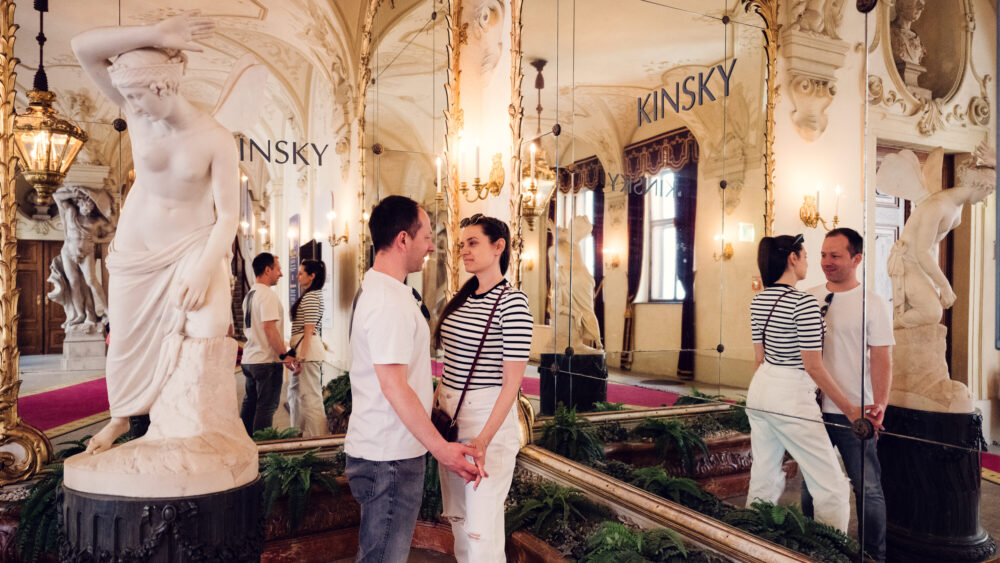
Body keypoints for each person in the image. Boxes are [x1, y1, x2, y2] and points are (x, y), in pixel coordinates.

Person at [70, 10, 256, 488]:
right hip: (137, 249)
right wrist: (154, 35)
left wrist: (203, 268)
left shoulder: (216, 139)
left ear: (163, 87)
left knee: (211, 325)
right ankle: (122, 413)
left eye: (135, 95)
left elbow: (228, 218)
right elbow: (82, 48)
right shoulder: (137, 111)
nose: (128, 105)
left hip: (195, 246)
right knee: (128, 336)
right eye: (126, 95)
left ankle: (201, 427)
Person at [347, 195, 480, 563]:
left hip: (385, 451)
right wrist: (442, 450)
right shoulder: (387, 301)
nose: (431, 246)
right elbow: (392, 385)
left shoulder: (385, 290)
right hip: (389, 457)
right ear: (403, 239)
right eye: (425, 236)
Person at [746, 233, 869, 532]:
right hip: (790, 394)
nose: (809, 262)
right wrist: (852, 410)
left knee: (763, 477)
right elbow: (814, 367)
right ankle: (829, 551)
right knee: (832, 487)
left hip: (760, 389)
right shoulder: (803, 304)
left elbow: (759, 358)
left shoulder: (759, 300)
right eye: (805, 254)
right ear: (792, 258)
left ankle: (747, 542)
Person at [434, 213, 532, 562]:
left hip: (487, 423)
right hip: (452, 420)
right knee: (460, 524)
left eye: (473, 242)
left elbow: (512, 384)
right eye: (462, 244)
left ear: (498, 246)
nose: (464, 251)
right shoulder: (459, 300)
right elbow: (450, 367)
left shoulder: (513, 303)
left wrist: (483, 440)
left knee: (481, 531)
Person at [800, 228, 893, 562]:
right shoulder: (808, 297)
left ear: (856, 259)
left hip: (856, 412)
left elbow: (882, 357)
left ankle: (872, 556)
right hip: (812, 410)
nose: (826, 262)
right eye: (823, 255)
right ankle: (812, 550)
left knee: (867, 488)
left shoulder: (873, 303)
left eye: (835, 256)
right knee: (812, 486)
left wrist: (880, 402)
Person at [239, 252, 292, 435]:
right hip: (265, 361)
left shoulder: (250, 295)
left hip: (250, 359)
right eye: (278, 269)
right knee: (266, 407)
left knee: (250, 403)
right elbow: (269, 329)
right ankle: (263, 449)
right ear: (267, 270)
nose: (281, 274)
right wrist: (284, 355)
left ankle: (244, 443)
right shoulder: (266, 295)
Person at [287, 259, 328, 437]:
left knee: (311, 398)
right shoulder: (310, 295)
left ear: (312, 276)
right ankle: (298, 434)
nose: (298, 275)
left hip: (308, 353)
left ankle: (320, 439)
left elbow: (309, 330)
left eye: (302, 273)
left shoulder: (312, 296)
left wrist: (301, 358)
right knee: (295, 394)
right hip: (304, 351)